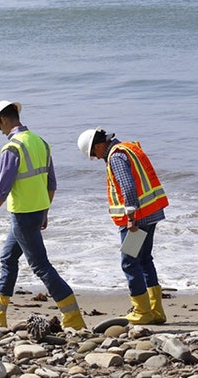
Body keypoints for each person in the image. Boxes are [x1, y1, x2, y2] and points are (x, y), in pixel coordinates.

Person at [0, 101, 86, 330]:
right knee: (8, 259)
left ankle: (73, 316)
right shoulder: (41, 142)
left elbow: (2, 189)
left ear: (3, 120)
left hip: (23, 215)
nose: (1, 131)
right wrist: (44, 210)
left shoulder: (13, 148)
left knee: (40, 266)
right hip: (36, 213)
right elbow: (51, 182)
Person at [77, 127, 169, 324]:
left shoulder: (116, 156)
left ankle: (142, 311)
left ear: (99, 145)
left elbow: (127, 185)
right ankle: (156, 311)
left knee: (129, 261)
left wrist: (130, 215)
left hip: (138, 218)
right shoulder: (128, 148)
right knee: (145, 259)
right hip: (151, 212)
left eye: (94, 153)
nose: (95, 157)